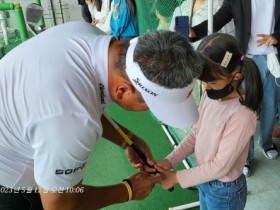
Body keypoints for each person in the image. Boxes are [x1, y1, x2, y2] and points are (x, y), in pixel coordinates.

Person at [0, 21, 202, 209]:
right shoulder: (72, 120)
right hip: (9, 181)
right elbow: (58, 204)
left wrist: (128, 139)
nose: (150, 110)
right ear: (122, 90)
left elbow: (84, 101)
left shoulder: (88, 34)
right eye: (152, 105)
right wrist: (128, 190)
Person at [154, 33, 263, 210]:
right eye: (204, 82)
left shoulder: (243, 115)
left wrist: (176, 178)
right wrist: (170, 161)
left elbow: (221, 166)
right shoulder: (210, 96)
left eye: (211, 82)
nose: (206, 87)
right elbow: (196, 133)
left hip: (224, 190)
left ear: (235, 76)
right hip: (204, 178)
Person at [189, 0, 280, 177]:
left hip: (273, 58)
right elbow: (220, 17)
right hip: (245, 60)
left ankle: (267, 142)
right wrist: (195, 31)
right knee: (246, 109)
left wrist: (276, 36)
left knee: (270, 105)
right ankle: (245, 156)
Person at [169, 0, 234, 50]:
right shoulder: (181, 8)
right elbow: (171, 38)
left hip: (213, 60)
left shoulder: (219, 4)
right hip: (187, 62)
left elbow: (230, 36)